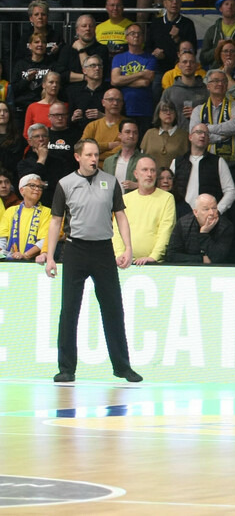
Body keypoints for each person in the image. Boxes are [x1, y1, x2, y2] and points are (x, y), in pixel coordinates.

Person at [46, 138, 143, 384]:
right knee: (69, 310)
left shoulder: (110, 182)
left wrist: (128, 248)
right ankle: (66, 368)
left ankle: (122, 367)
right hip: (75, 249)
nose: (93, 158)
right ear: (77, 157)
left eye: (96, 154)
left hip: (103, 250)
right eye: (88, 154)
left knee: (113, 308)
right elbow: (56, 221)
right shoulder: (65, 183)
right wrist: (50, 256)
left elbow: (120, 216)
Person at [111, 156, 176, 264]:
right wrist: (120, 254)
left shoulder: (167, 198)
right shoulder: (125, 199)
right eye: (145, 170)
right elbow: (117, 231)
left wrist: (153, 257)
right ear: (136, 174)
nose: (149, 174)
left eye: (153, 170)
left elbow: (165, 231)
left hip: (154, 264)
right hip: (125, 262)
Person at [170, 123, 235, 215]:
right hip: (181, 214)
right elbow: (169, 190)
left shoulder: (218, 162)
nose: (203, 135)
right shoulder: (177, 162)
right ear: (190, 137)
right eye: (199, 132)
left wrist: (217, 211)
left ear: (209, 139)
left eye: (206, 134)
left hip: (207, 216)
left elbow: (230, 191)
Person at [165, 193, 234, 264]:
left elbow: (218, 258)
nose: (211, 213)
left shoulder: (226, 226)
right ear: (195, 212)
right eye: (206, 209)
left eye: (214, 208)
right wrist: (201, 260)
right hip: (188, 271)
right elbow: (171, 255)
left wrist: (204, 234)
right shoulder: (183, 223)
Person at [0, 174, 51, 263]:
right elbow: (2, 238)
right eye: (32, 186)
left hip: (35, 262)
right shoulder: (10, 211)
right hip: (8, 261)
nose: (37, 189)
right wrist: (4, 253)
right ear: (22, 190)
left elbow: (44, 240)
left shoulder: (47, 212)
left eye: (39, 187)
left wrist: (25, 255)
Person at [146, 0, 197, 76]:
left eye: (177, 0)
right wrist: (155, 53)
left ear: (181, 3)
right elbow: (147, 47)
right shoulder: (156, 23)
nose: (174, 2)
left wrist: (177, 39)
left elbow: (193, 50)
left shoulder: (187, 23)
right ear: (165, 3)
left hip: (181, 70)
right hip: (159, 69)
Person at [111, 24, 157, 120]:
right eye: (132, 33)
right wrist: (141, 73)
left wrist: (122, 82)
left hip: (144, 109)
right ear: (126, 38)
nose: (136, 36)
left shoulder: (150, 58)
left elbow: (145, 82)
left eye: (139, 33)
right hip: (123, 108)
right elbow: (115, 80)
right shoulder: (118, 58)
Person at [140, 100, 188, 171]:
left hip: (174, 178)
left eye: (171, 110)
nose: (168, 113)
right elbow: (142, 158)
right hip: (151, 176)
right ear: (158, 113)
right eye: (164, 110)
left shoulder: (184, 135)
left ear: (175, 114)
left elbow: (186, 161)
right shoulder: (149, 133)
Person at [101, 119, 143, 192]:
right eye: (127, 132)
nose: (131, 135)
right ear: (119, 135)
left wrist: (137, 185)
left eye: (135, 133)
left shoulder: (146, 160)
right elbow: (103, 184)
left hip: (136, 202)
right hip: (112, 202)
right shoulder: (108, 161)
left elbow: (154, 184)